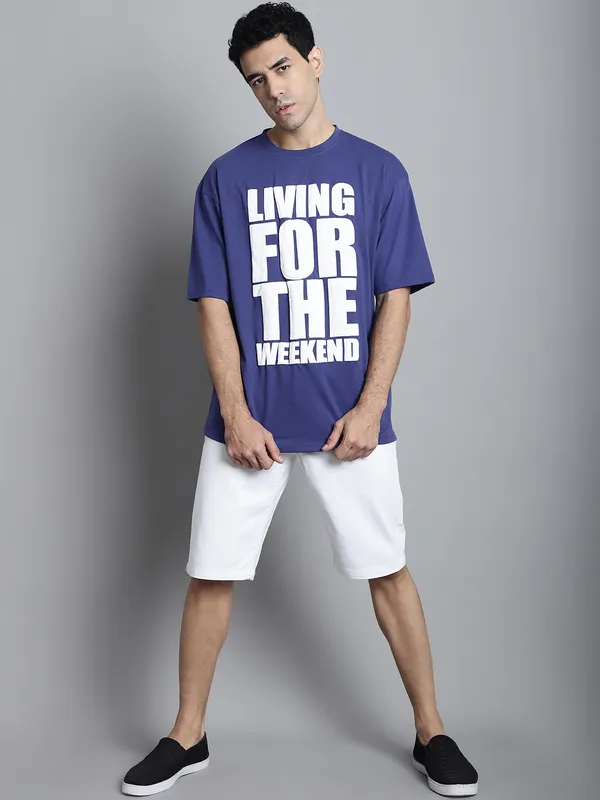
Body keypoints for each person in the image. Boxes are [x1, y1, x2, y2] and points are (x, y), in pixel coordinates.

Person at [121, 3, 479, 796]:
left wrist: (371, 405)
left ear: (316, 61)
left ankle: (432, 730)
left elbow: (395, 296)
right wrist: (236, 411)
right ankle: (188, 734)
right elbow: (213, 304)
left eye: (282, 68)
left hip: (350, 419)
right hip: (249, 423)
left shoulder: (379, 172)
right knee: (210, 572)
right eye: (256, 79)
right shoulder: (226, 179)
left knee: (388, 570)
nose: (273, 89)